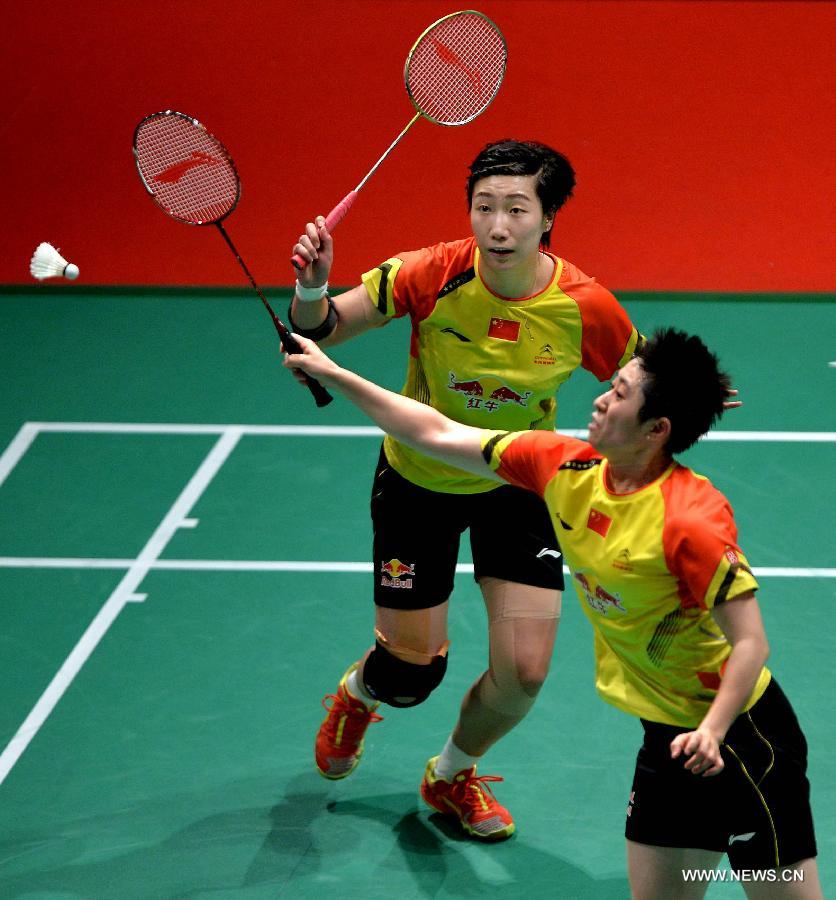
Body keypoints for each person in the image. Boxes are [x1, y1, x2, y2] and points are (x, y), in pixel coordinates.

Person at [283, 327, 821, 898]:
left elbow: (751, 644)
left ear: (657, 430)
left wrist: (712, 730)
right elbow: (435, 430)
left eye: (619, 394)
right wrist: (332, 373)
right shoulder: (563, 469)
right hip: (667, 741)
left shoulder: (690, 521)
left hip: (742, 744)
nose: (600, 399)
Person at [289, 140, 642, 840]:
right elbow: (325, 327)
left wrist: (684, 395)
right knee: (409, 676)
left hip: (519, 482)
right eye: (484, 207)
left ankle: (449, 775)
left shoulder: (583, 305)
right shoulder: (431, 273)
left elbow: (635, 377)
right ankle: (361, 695)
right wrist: (310, 286)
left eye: (517, 209)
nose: (498, 226)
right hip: (418, 482)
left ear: (548, 220)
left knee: (525, 673)